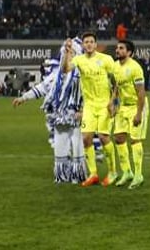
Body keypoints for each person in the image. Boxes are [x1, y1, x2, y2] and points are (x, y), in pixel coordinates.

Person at [13, 38, 87, 183]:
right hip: (59, 117)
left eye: (71, 53)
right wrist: (23, 98)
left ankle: (78, 175)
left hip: (77, 116)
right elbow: (41, 88)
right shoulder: (55, 76)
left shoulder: (82, 75)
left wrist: (83, 110)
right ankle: (62, 175)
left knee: (78, 147)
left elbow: (90, 94)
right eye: (66, 53)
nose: (68, 56)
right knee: (60, 147)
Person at [64, 31, 117, 187]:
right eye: (85, 42)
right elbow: (66, 69)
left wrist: (113, 102)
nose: (88, 44)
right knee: (86, 138)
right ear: (82, 45)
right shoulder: (79, 60)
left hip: (104, 104)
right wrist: (67, 52)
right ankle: (93, 174)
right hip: (89, 106)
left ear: (95, 44)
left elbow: (117, 81)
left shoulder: (106, 59)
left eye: (91, 41)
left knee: (103, 137)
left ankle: (113, 171)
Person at [112, 38, 148, 189]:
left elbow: (141, 93)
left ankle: (138, 175)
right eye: (117, 48)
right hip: (123, 107)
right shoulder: (115, 66)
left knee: (135, 140)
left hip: (136, 106)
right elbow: (117, 87)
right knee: (119, 138)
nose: (117, 50)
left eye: (121, 48)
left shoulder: (135, 68)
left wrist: (139, 114)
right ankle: (127, 172)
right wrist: (112, 102)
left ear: (129, 52)